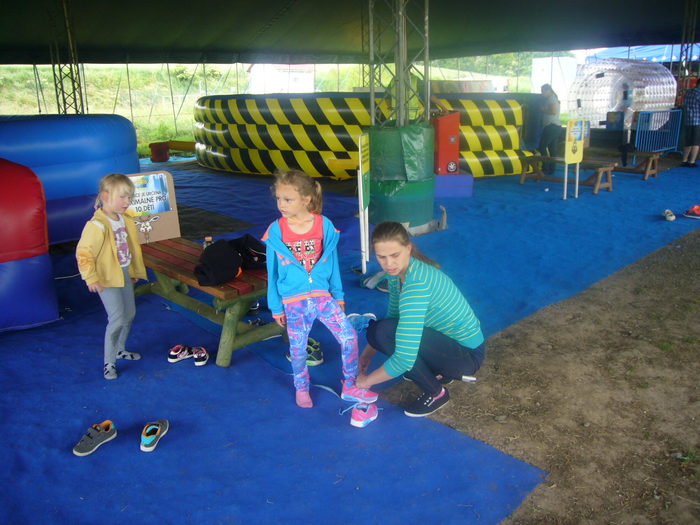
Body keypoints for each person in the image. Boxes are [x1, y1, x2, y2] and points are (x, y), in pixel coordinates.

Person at [263, 169, 377, 409]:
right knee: (298, 349)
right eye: (279, 199)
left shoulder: (324, 225)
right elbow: (271, 272)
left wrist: (339, 296)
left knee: (349, 337)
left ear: (306, 199)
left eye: (288, 199)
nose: (281, 204)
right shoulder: (276, 230)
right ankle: (301, 387)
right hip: (293, 301)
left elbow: (332, 264)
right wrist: (276, 307)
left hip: (323, 297)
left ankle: (350, 384)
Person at [355, 222, 486, 417]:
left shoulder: (417, 285)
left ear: (408, 248)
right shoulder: (398, 273)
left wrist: (366, 382)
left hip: (466, 357)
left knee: (383, 334)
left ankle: (436, 393)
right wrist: (367, 354)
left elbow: (404, 358)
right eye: (382, 257)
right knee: (378, 332)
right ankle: (439, 371)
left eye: (395, 255)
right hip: (452, 346)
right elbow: (393, 315)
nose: (389, 263)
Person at [76, 173, 147, 380]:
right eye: (122, 197)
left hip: (122, 273)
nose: (127, 202)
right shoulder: (97, 225)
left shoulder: (124, 219)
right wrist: (91, 278)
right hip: (106, 277)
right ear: (106, 196)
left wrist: (132, 271)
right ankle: (109, 363)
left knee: (130, 313)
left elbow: (129, 248)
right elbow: (83, 253)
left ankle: (120, 349)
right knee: (117, 319)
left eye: (130, 197)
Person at [538, 83, 562, 174]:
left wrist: (543, 109)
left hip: (551, 126)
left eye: (543, 91)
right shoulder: (553, 98)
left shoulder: (551, 99)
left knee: (542, 146)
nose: (542, 93)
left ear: (548, 91)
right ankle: (552, 168)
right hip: (555, 126)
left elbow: (553, 111)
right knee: (552, 149)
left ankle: (545, 167)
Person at [681, 83, 700, 167]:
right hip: (697, 121)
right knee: (696, 142)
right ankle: (691, 161)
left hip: (688, 120)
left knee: (688, 141)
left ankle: (684, 160)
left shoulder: (689, 92)